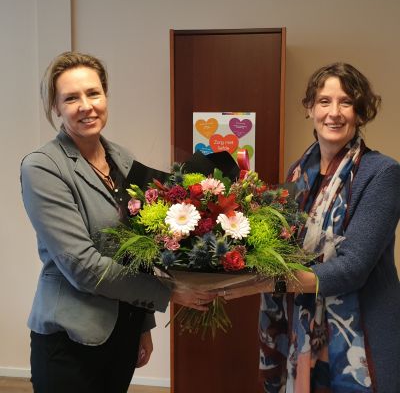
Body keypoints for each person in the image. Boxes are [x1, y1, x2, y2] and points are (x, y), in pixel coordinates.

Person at [20, 51, 215, 393]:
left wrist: (143, 324)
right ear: (56, 107)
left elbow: (139, 249)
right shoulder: (43, 167)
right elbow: (81, 265)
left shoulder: (122, 159)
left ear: (105, 96)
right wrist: (170, 292)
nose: (86, 106)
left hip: (123, 331)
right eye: (71, 98)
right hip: (70, 339)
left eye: (93, 93)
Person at [222, 63, 400, 392]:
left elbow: (352, 268)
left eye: (346, 102)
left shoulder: (382, 173)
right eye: (324, 101)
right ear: (309, 108)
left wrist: (264, 283)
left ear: (360, 113)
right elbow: (282, 248)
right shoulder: (299, 174)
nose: (334, 113)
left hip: (359, 338)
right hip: (303, 337)